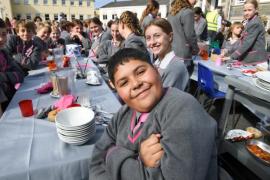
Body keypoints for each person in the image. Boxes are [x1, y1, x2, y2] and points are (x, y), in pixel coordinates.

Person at [89, 48, 217, 180]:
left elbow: (104, 157)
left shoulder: (182, 110)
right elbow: (96, 163)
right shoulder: (123, 113)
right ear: (117, 91)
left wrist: (112, 155)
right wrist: (140, 160)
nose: (136, 84)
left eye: (141, 72)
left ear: (156, 70)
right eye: (124, 82)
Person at [145, 18, 189, 91]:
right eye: (148, 38)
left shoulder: (175, 68)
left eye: (157, 35)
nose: (152, 42)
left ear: (170, 36)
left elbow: (165, 100)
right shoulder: (157, 63)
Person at [167, 0, 199, 76]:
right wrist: (195, 49)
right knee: (184, 81)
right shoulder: (188, 12)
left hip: (172, 51)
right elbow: (190, 35)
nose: (196, 1)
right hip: (183, 53)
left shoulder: (172, 12)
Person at [0, 18, 25, 111]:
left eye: (3, 34)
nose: (1, 39)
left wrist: (4, 76)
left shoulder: (4, 53)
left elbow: (20, 74)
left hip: (12, 100)